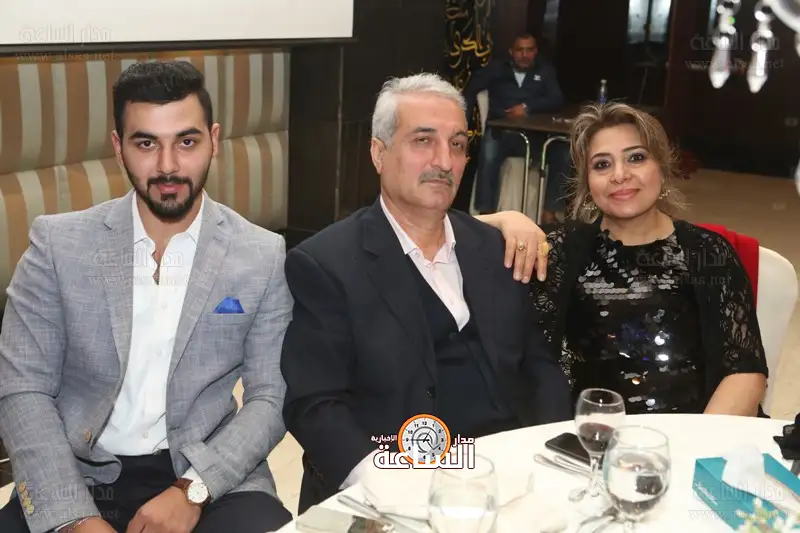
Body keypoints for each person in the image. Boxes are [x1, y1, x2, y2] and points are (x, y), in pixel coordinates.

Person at [0, 61, 293, 533]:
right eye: (146, 144)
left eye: (187, 142)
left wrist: (193, 489)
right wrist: (74, 519)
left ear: (214, 140)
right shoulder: (57, 245)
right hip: (78, 473)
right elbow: (22, 389)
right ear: (119, 147)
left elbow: (270, 396)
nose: (168, 166)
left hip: (204, 471)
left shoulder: (260, 254)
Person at [280, 73, 572, 513]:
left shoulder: (494, 247)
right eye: (423, 141)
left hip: (510, 474)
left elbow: (537, 364)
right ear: (379, 153)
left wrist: (553, 452)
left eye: (457, 144)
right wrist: (388, 484)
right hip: (397, 483)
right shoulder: (327, 263)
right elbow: (314, 403)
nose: (444, 161)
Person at [478, 102, 768, 416]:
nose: (619, 175)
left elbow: (745, 372)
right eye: (602, 164)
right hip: (589, 437)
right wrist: (506, 218)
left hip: (692, 433)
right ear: (587, 181)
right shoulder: (561, 250)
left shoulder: (707, 251)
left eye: (636, 158)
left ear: (662, 166)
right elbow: (446, 229)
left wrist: (693, 444)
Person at [463, 33, 572, 221]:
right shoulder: (496, 69)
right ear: (511, 52)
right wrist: (463, 122)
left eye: (529, 50)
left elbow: (557, 98)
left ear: (535, 52)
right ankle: (485, 214)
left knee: (563, 150)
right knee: (489, 153)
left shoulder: (545, 70)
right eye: (520, 50)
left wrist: (527, 108)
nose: (524, 55)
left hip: (534, 136)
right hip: (501, 132)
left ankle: (550, 212)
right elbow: (471, 89)